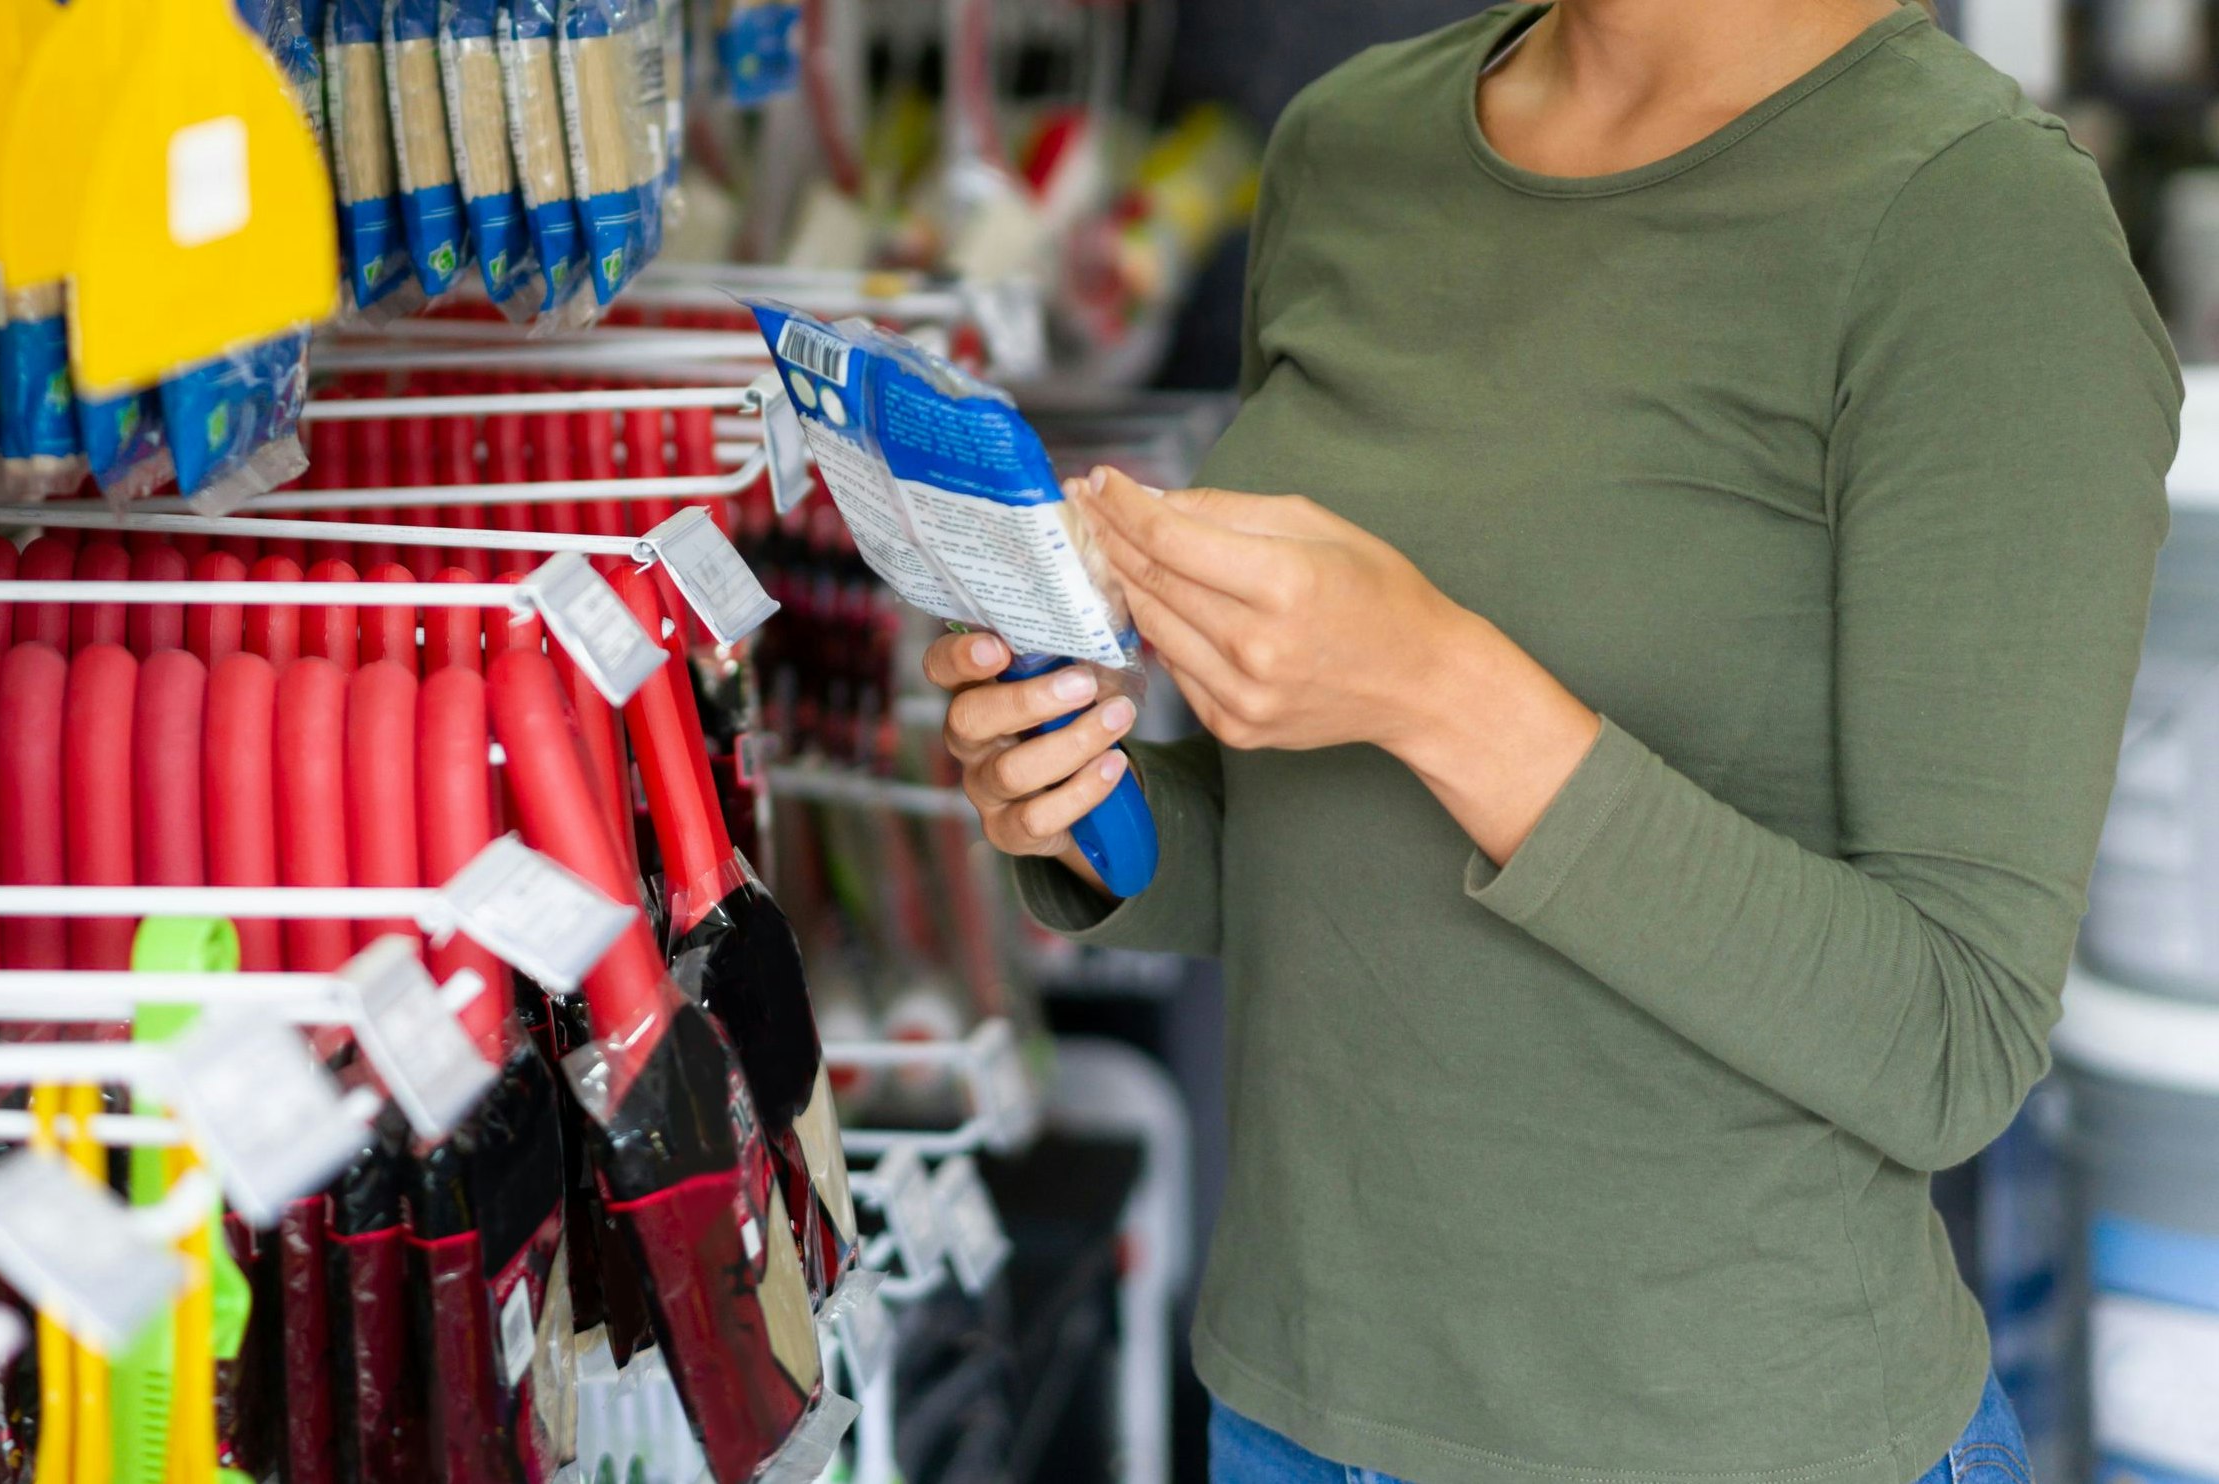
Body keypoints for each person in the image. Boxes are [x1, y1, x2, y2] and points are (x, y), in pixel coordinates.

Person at [925, 2, 2179, 1482]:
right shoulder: (1351, 141)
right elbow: (1329, 850)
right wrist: (1087, 803)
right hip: (1289, 1412)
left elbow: (1953, 1040)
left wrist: (1437, 684)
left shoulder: (1975, 224)